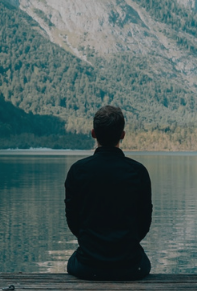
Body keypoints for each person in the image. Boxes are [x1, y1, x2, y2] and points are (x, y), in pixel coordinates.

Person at [63, 104, 152, 281]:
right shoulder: (138, 172)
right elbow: (144, 222)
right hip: (131, 266)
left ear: (93, 133)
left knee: (74, 260)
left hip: (88, 266)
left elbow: (73, 220)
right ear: (122, 135)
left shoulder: (78, 171)